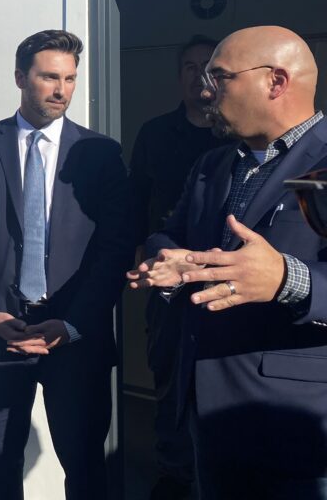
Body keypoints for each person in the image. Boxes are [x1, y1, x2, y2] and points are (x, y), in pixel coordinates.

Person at [128, 25, 327, 499]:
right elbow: (171, 233)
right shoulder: (214, 164)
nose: (204, 90)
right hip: (206, 412)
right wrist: (169, 260)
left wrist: (287, 279)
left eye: (220, 77)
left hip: (298, 428)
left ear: (275, 81)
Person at [0, 30, 130, 500]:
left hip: (75, 334)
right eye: (50, 77)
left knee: (86, 462)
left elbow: (114, 248)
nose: (61, 90)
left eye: (69, 79)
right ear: (19, 78)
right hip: (1, 333)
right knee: (1, 457)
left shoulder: (100, 154)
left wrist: (72, 324)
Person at [127, 35, 227, 500]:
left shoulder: (234, 136)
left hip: (227, 278)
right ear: (179, 75)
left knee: (222, 376)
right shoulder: (155, 133)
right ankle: (173, 470)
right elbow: (135, 201)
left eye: (208, 66)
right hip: (166, 278)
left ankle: (219, 474)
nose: (199, 75)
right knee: (166, 372)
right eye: (189, 66)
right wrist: (138, 251)